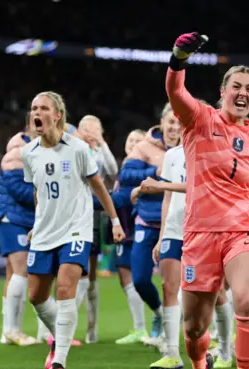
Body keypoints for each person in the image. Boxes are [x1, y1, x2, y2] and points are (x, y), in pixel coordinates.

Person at [165, 32, 249, 369]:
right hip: (199, 235)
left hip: (241, 232)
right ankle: (201, 366)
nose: (243, 92)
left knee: (247, 302)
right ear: (223, 90)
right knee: (193, 328)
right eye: (236, 86)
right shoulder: (200, 119)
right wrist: (179, 57)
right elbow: (175, 93)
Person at [22, 91, 124, 369]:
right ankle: (60, 338)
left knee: (65, 290)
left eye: (43, 108)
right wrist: (36, 222)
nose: (36, 113)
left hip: (76, 230)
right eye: (33, 108)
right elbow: (38, 191)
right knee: (36, 296)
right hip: (44, 232)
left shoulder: (78, 149)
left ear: (57, 115)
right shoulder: (29, 153)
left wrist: (114, 221)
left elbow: (99, 187)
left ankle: (59, 360)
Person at [118, 104, 182, 342]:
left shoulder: (189, 147)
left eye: (178, 123)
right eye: (170, 122)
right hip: (147, 220)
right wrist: (155, 170)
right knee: (141, 279)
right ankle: (158, 313)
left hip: (178, 222)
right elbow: (125, 176)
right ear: (162, 122)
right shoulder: (144, 147)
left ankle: (177, 330)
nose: (174, 127)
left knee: (175, 281)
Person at [92, 131, 148, 345]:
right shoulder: (125, 167)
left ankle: (143, 326)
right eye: (130, 140)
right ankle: (142, 326)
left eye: (137, 141)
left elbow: (121, 199)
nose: (132, 143)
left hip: (133, 229)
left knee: (131, 277)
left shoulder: (136, 170)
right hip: (125, 230)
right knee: (127, 278)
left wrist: (94, 202)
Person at [0, 117, 43, 346]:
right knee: (21, 271)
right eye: (36, 123)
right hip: (14, 218)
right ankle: (13, 331)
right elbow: (18, 191)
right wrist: (46, 194)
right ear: (28, 127)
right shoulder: (17, 153)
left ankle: (8, 331)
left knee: (13, 274)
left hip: (21, 218)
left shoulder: (34, 150)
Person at [76, 115, 119, 344]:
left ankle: (92, 326)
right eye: (85, 127)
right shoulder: (75, 149)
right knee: (68, 271)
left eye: (95, 128)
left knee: (90, 272)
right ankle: (56, 326)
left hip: (93, 214)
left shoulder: (101, 152)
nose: (90, 131)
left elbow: (113, 172)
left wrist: (101, 143)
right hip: (73, 212)